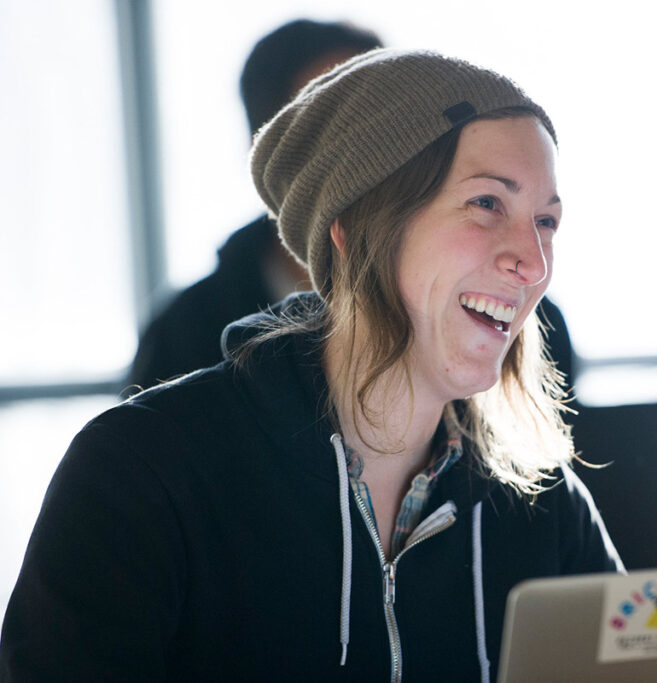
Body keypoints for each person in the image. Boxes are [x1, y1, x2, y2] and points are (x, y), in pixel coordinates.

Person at [0, 49, 620, 681]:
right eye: (487, 204)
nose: (533, 263)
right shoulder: (142, 470)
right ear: (354, 228)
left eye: (546, 221)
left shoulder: (541, 501)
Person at [129, 19, 579, 393]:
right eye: (330, 119)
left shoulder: (527, 333)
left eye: (383, 115)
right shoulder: (186, 331)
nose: (365, 142)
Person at [127, 19, 383, 390]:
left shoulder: (439, 299)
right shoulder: (187, 329)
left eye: (381, 123)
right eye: (334, 126)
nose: (369, 151)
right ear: (267, 152)